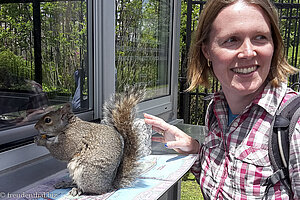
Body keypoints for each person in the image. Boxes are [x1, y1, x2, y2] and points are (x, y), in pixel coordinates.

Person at [144, 0, 300, 199]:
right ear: (207, 51)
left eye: (260, 37)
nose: (248, 52)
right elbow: (224, 181)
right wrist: (196, 150)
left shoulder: (292, 126)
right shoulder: (216, 110)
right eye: (231, 40)